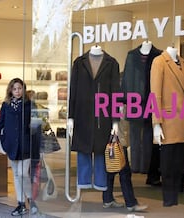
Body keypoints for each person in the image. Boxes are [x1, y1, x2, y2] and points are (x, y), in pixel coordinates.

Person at [68, 45, 120, 191]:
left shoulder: (111, 63)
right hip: (82, 112)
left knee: (100, 149)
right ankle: (83, 180)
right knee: (83, 148)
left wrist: (115, 120)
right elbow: (73, 90)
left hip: (103, 113)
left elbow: (116, 92)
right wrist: (71, 116)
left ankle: (100, 182)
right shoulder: (79, 63)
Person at [150, 46, 184, 207]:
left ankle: (174, 197)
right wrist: (156, 123)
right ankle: (168, 198)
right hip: (168, 118)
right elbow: (155, 94)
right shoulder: (159, 61)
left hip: (182, 117)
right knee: (168, 162)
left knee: (178, 162)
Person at [0, 78, 39, 216]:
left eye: (20, 88)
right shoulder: (6, 105)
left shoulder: (30, 105)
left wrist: (37, 146)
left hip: (25, 145)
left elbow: (37, 126)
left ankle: (32, 201)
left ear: (24, 89)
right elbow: (0, 124)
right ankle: (21, 204)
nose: (17, 91)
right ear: (11, 90)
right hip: (11, 145)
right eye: (15, 89)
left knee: (23, 173)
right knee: (17, 175)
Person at [102, 75, 149, 212]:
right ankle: (131, 203)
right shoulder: (119, 101)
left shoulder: (111, 99)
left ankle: (108, 199)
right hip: (117, 141)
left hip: (112, 141)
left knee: (110, 171)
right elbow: (121, 124)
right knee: (124, 172)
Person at [121, 40, 163, 186]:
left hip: (152, 100)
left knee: (147, 136)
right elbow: (126, 78)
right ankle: (135, 166)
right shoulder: (131, 55)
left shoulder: (159, 55)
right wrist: (124, 99)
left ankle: (145, 167)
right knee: (134, 135)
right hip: (134, 100)